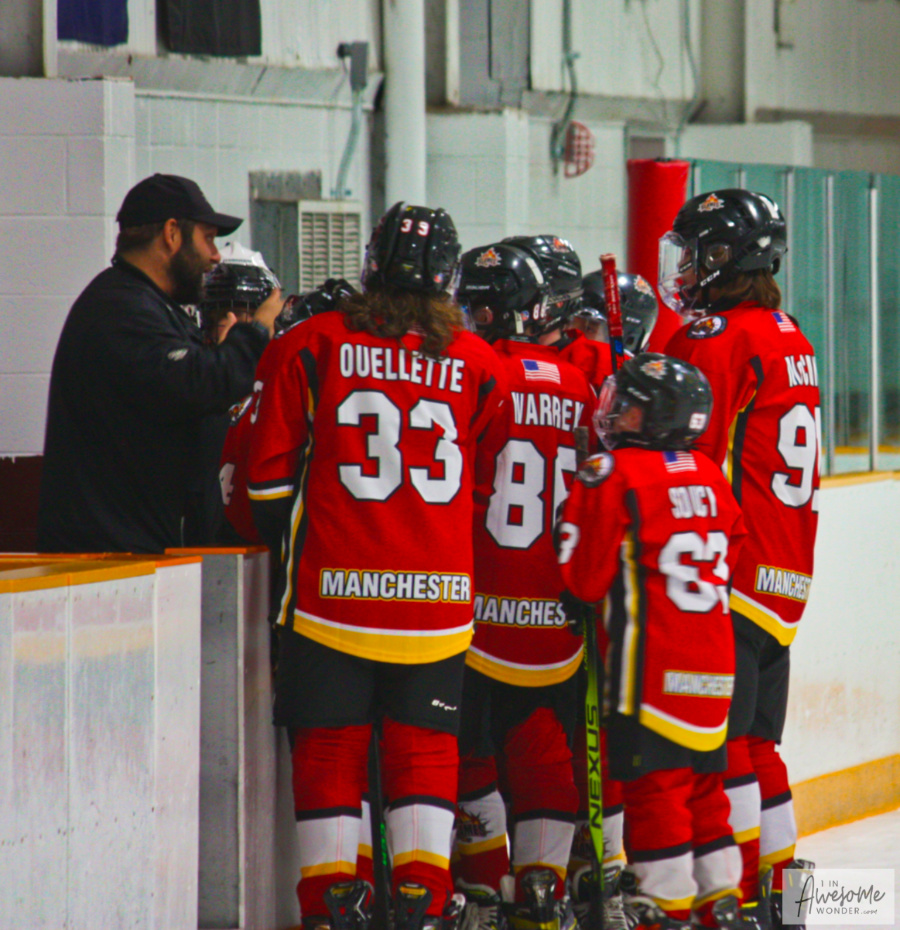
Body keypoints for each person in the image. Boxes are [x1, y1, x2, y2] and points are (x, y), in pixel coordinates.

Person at [245, 202, 509, 930]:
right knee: (424, 758)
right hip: (438, 609)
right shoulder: (481, 366)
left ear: (370, 265)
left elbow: (266, 491)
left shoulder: (309, 344)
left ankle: (335, 909)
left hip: (331, 604)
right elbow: (479, 495)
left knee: (330, 756)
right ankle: (423, 905)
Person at [660, 189, 820, 927]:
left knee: (722, 751)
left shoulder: (716, 337)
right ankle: (788, 903)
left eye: (698, 254)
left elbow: (682, 454)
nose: (687, 268)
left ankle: (738, 904)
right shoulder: (791, 335)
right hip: (784, 579)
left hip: (731, 572)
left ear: (726, 258)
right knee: (757, 746)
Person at [557, 353, 748, 930]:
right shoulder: (710, 472)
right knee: (705, 791)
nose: (615, 413)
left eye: (627, 406)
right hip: (715, 664)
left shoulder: (611, 472)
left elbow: (583, 579)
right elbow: (735, 549)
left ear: (653, 416)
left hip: (652, 666)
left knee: (654, 792)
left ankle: (665, 907)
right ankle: (721, 902)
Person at [452, 239, 592, 930]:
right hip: (554, 611)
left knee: (469, 752)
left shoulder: (473, 372)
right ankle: (543, 890)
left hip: (479, 608)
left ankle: (483, 894)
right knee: (543, 753)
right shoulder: (580, 386)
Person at [36, 173, 281, 554]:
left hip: (132, 550)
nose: (215, 255)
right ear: (172, 233)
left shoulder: (147, 305)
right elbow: (197, 384)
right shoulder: (119, 309)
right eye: (208, 238)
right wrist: (258, 332)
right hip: (107, 562)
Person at [184, 241, 284, 545]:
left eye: (247, 316)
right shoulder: (190, 392)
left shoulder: (284, 391)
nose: (234, 328)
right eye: (222, 317)